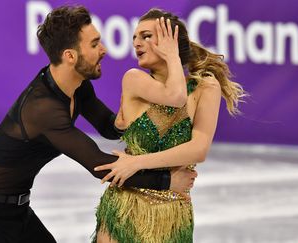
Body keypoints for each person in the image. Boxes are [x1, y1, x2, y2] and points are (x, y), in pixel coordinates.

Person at [0, 5, 197, 243]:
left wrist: (121, 123)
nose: (104, 49)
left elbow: (107, 126)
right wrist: (167, 181)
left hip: (18, 212)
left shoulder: (78, 86)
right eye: (94, 44)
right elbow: (99, 165)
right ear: (70, 56)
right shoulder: (43, 109)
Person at [92, 8, 246, 243]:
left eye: (145, 36)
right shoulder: (134, 80)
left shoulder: (206, 86)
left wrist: (137, 161)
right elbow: (176, 97)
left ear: (170, 41)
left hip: (173, 217)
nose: (136, 43)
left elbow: (198, 149)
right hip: (126, 208)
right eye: (135, 37)